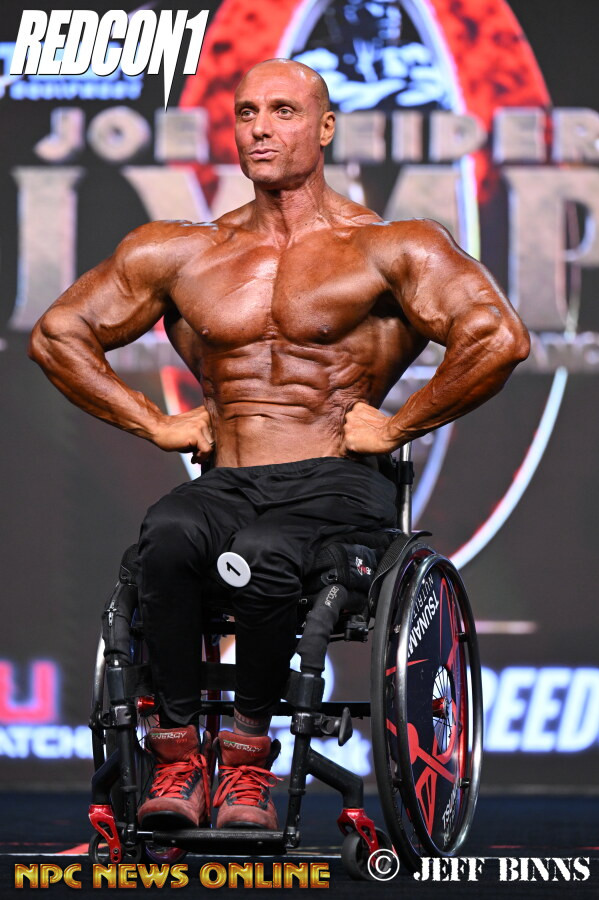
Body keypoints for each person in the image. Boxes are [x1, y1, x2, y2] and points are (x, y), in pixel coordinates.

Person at [28, 58, 530, 831]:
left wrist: (399, 426)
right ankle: (178, 759)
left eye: (283, 111)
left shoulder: (389, 247)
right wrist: (154, 421)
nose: (260, 128)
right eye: (246, 113)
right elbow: (58, 333)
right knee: (166, 534)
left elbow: (498, 336)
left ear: (325, 128)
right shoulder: (185, 251)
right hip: (228, 482)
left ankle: (247, 762)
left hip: (336, 484)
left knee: (267, 552)